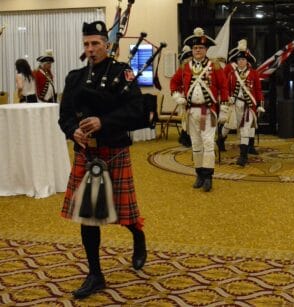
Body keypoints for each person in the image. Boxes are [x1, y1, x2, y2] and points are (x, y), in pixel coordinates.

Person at [58, 20, 148, 299]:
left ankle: (138, 235)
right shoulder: (74, 78)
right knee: (89, 216)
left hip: (114, 151)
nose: (91, 48)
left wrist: (104, 122)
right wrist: (73, 131)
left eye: (96, 43)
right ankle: (95, 274)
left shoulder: (123, 73)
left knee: (124, 214)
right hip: (87, 154)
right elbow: (64, 116)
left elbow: (138, 113)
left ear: (107, 46)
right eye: (86, 44)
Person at [170, 27, 228, 192]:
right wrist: (177, 97)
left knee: (208, 143)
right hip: (191, 112)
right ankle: (199, 174)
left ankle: (209, 176)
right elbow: (174, 83)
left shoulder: (215, 66)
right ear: (192, 50)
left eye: (201, 48)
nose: (198, 50)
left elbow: (224, 87)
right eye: (195, 48)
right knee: (196, 144)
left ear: (206, 49)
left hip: (208, 112)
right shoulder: (185, 66)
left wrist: (223, 108)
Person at [218, 39, 265, 166]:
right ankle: (220, 139)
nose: (241, 62)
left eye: (243, 60)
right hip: (234, 105)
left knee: (245, 130)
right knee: (227, 126)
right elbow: (225, 88)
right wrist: (228, 97)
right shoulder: (232, 74)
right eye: (239, 60)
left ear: (247, 61)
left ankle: (243, 156)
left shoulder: (254, 74)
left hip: (249, 106)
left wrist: (260, 104)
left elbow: (258, 89)